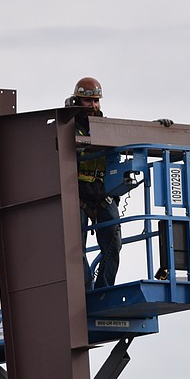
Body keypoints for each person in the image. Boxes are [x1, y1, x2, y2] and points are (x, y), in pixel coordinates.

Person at [69, 76, 122, 289]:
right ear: (77, 101)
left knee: (113, 244)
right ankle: (85, 290)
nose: (94, 106)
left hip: (102, 193)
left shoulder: (104, 127)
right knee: (75, 250)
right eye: (88, 101)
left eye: (96, 101)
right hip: (77, 194)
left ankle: (104, 289)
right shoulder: (68, 128)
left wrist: (160, 127)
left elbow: (126, 141)